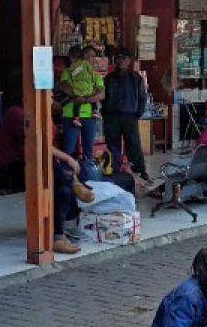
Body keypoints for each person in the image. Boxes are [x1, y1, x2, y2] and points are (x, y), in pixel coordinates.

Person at [101, 48, 151, 183]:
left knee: (134, 145)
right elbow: (102, 98)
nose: (121, 60)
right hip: (111, 117)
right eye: (118, 57)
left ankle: (140, 171)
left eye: (124, 58)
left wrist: (138, 114)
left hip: (130, 116)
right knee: (112, 146)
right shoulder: (108, 79)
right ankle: (114, 170)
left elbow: (143, 98)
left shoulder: (136, 78)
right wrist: (105, 113)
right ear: (115, 60)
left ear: (129, 61)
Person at [59, 43, 104, 158]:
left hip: (90, 116)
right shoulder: (69, 71)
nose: (90, 58)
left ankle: (86, 172)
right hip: (70, 115)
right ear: (81, 57)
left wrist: (84, 99)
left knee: (88, 148)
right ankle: (67, 174)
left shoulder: (96, 75)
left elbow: (101, 94)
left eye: (93, 56)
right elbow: (64, 86)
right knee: (69, 147)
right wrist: (77, 95)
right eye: (87, 55)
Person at [52, 145, 94, 255]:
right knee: (52, 165)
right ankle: (74, 183)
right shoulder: (28, 128)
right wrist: (67, 158)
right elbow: (42, 146)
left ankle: (58, 237)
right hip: (17, 167)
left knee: (64, 190)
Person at [0, 104, 26, 193]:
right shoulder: (20, 117)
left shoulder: (13, 111)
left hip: (1, 165)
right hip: (8, 167)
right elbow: (34, 144)